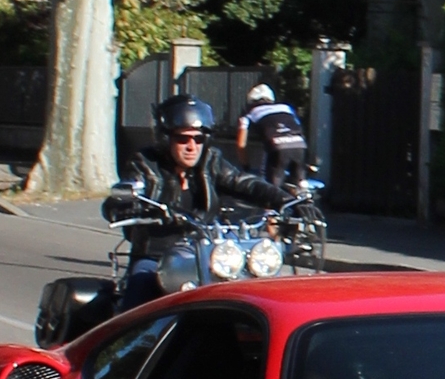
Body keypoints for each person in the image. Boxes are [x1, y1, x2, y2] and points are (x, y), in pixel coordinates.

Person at [103, 95, 285, 307]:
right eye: (183, 139)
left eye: (198, 139)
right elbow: (117, 200)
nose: (192, 146)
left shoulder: (211, 161)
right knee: (138, 296)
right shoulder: (144, 164)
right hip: (156, 257)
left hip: (206, 255)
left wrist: (287, 200)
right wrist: (135, 207)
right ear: (166, 139)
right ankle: (131, 339)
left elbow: (244, 182)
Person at [236, 82, 308, 186]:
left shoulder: (248, 114)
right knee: (300, 186)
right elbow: (299, 128)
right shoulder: (287, 108)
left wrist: (246, 167)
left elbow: (241, 144)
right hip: (300, 145)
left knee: (271, 190)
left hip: (277, 148)